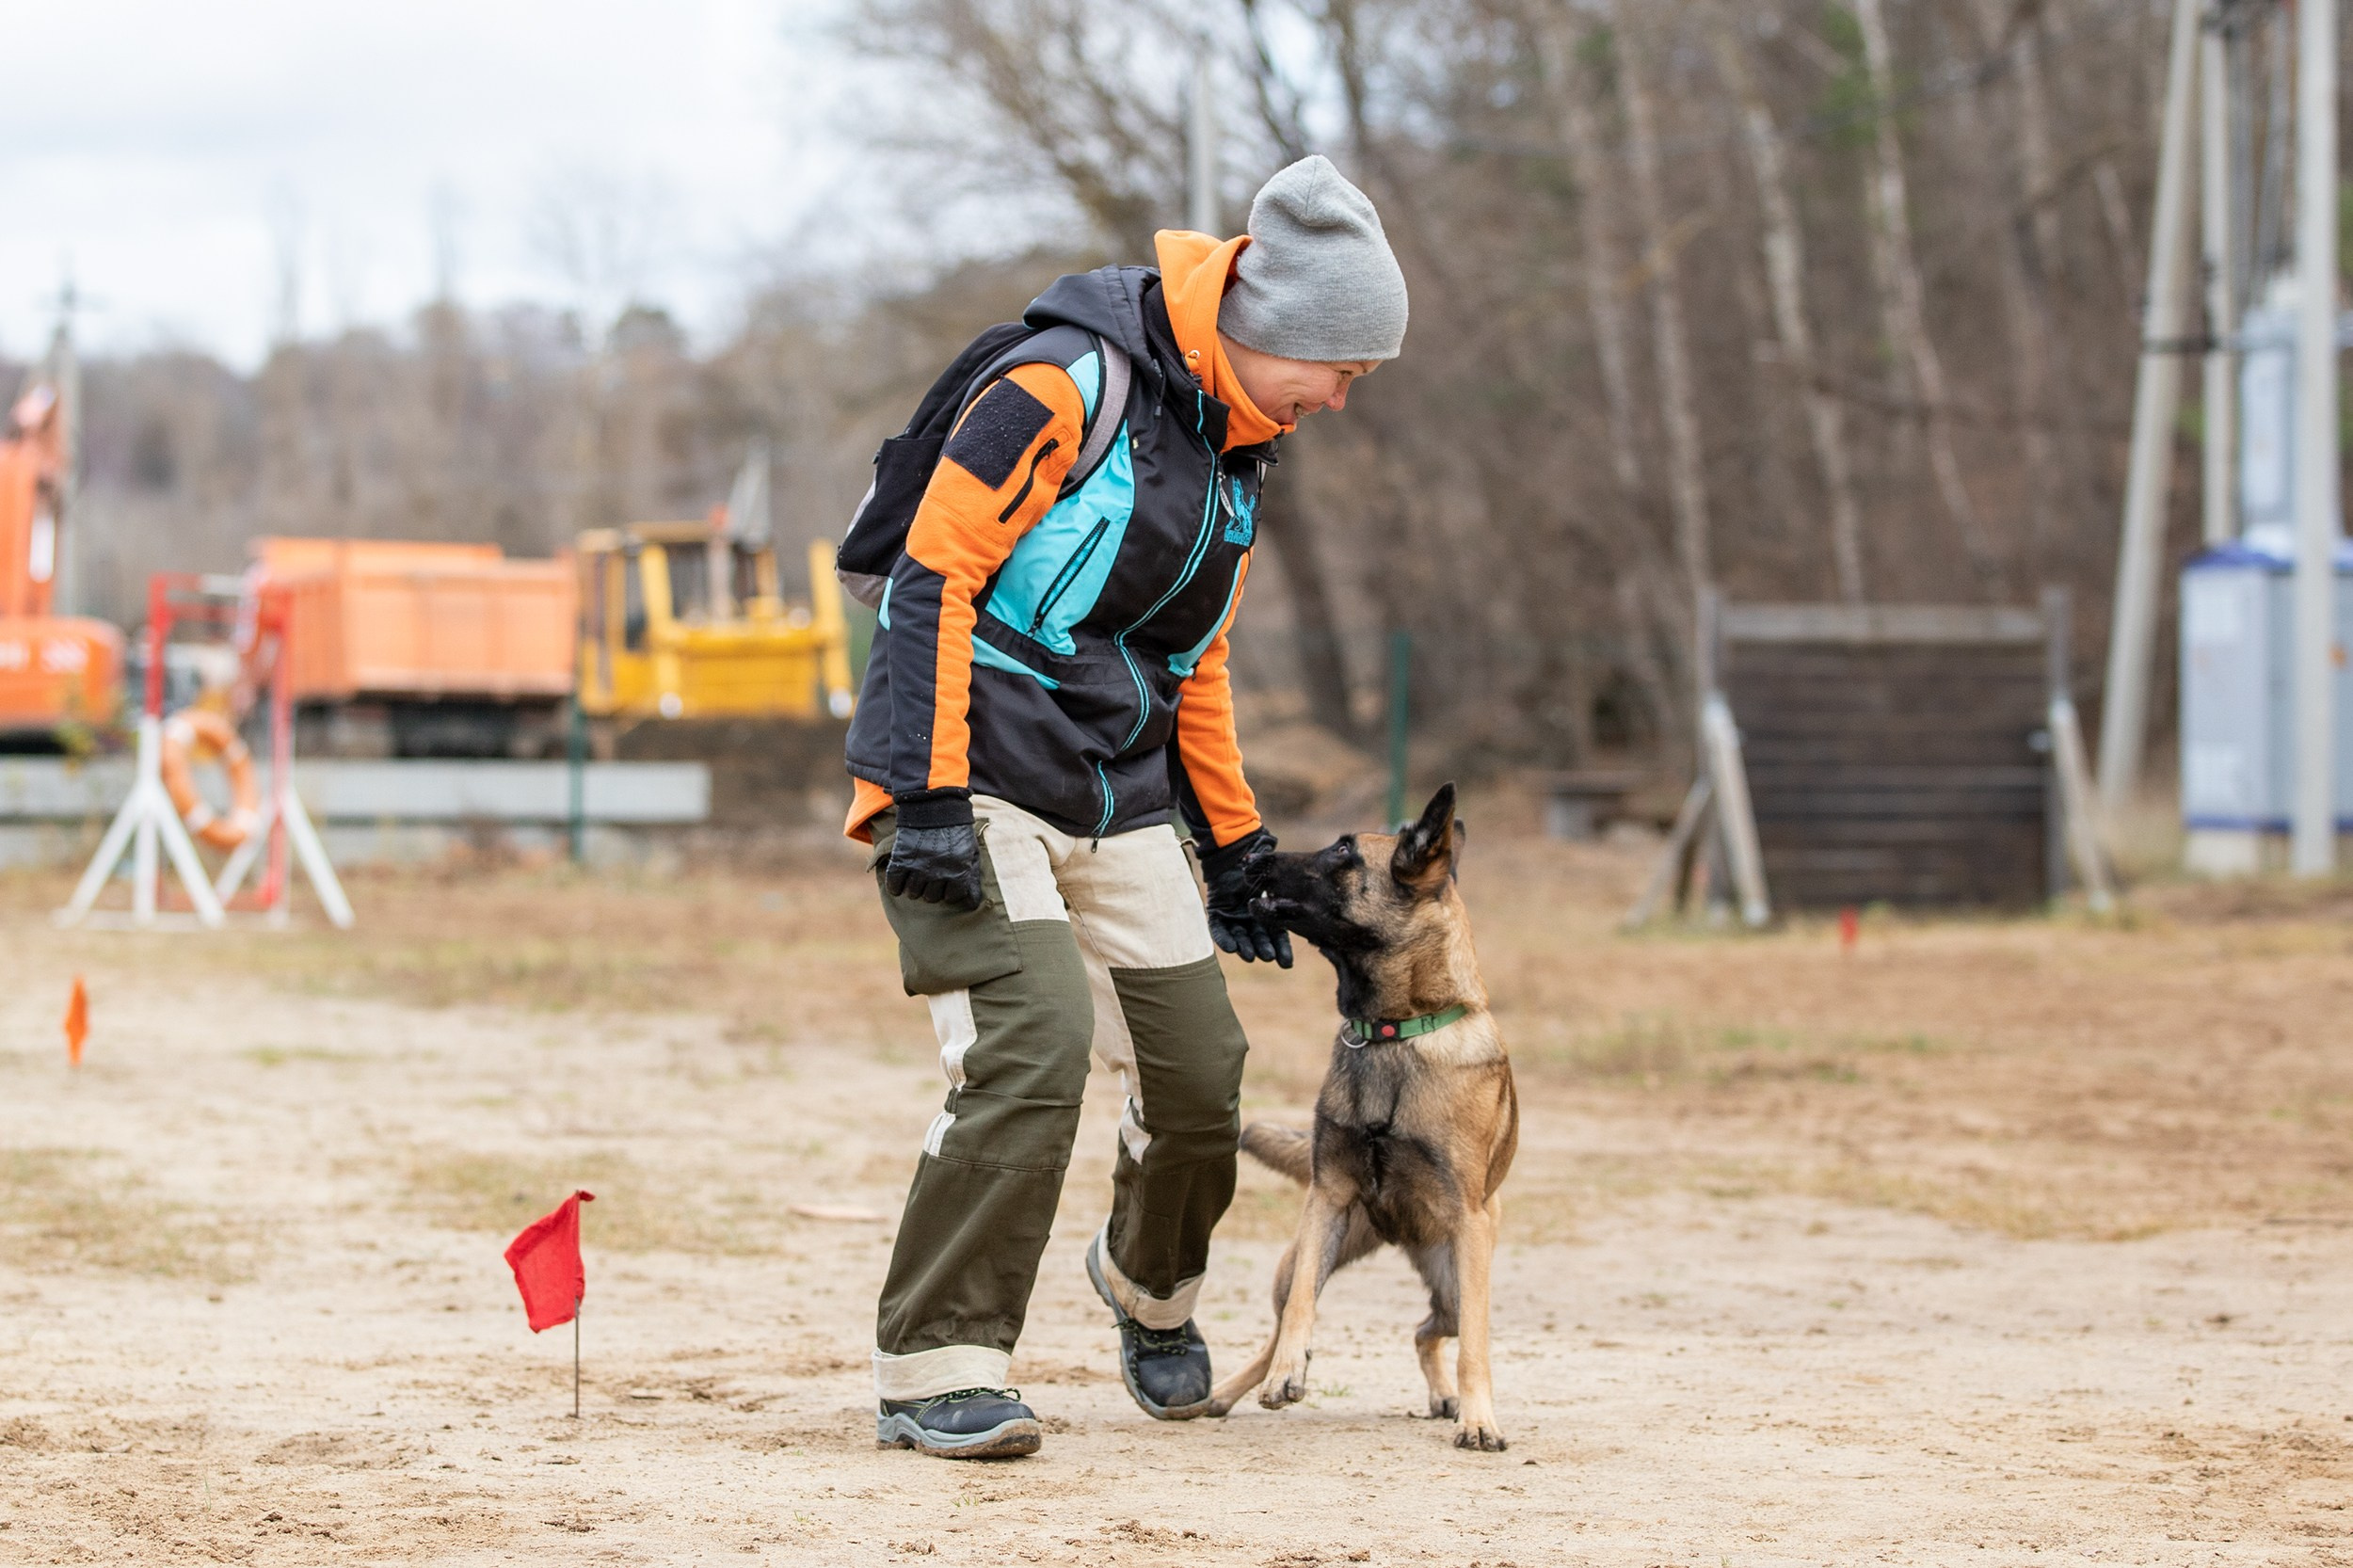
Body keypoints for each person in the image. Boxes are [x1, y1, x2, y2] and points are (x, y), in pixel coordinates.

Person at [843, 154, 1409, 1460]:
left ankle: (1150, 1292)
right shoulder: (1058, 385)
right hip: (968, 777)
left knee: (1201, 1073)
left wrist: (1237, 848)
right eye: (1342, 370)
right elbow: (930, 577)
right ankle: (937, 1366)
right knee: (1030, 1041)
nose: (1341, 396)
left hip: (1119, 793)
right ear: (1277, 332)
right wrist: (922, 795)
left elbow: (1190, 662)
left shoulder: (1236, 455)